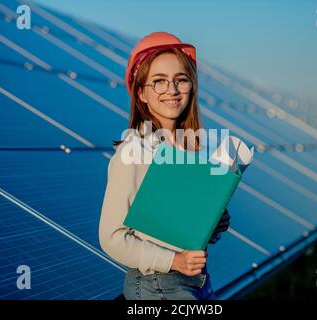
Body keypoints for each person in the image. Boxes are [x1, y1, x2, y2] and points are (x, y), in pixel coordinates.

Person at [99, 32, 231, 300]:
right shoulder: (133, 151)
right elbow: (112, 237)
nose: (171, 90)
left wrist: (214, 222)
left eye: (180, 80)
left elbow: (183, 235)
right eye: (158, 82)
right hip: (156, 283)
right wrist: (173, 261)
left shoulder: (190, 150)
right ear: (141, 93)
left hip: (198, 281)